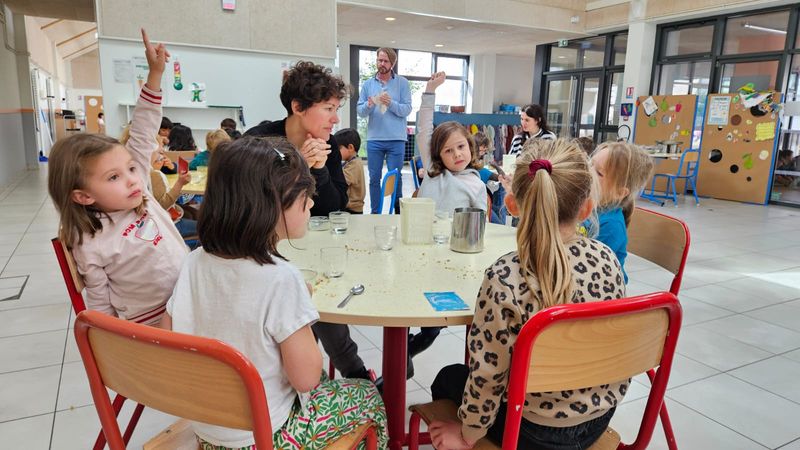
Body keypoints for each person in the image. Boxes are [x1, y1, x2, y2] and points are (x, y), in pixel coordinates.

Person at [162, 137, 387, 449]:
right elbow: (306, 379)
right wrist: (301, 313)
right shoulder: (281, 279)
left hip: (209, 431)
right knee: (368, 395)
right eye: (303, 197)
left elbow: (170, 337)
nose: (311, 203)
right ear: (268, 208)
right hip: (268, 437)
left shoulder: (193, 262)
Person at [428, 139, 627, 450]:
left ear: (512, 205)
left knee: (448, 377)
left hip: (532, 433)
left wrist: (467, 435)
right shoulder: (608, 260)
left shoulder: (504, 277)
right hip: (599, 417)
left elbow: (488, 377)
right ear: (587, 208)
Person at [47, 29, 187, 326]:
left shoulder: (140, 194)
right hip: (150, 325)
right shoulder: (90, 241)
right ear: (83, 196)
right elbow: (99, 303)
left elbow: (144, 128)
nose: (133, 179)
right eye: (113, 177)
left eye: (132, 168)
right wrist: (113, 343)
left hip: (188, 299)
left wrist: (155, 74)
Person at [245, 61, 374, 381]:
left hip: (309, 247)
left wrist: (317, 170)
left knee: (321, 297)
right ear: (298, 107)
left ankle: (345, 374)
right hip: (263, 251)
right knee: (306, 307)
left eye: (337, 108)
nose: (336, 118)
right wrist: (299, 163)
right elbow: (252, 199)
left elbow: (335, 206)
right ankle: (344, 377)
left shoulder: (327, 146)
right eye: (329, 108)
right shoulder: (258, 140)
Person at [408, 72, 486, 367]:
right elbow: (425, 128)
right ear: (438, 154)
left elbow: (480, 229)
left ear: (470, 146)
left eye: (461, 147)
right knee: (410, 301)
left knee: (434, 322)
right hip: (419, 249)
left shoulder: (476, 184)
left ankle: (409, 351)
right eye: (448, 150)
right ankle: (402, 346)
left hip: (451, 258)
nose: (456, 154)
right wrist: (429, 92)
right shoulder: (432, 170)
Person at [583, 142, 654, 283]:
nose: (587, 171)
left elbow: (588, 269)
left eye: (598, 172)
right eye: (590, 164)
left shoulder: (611, 225)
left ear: (619, 192)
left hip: (601, 290)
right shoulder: (589, 206)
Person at [356, 47, 413, 214]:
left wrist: (391, 103)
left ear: (392, 63)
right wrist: (369, 103)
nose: (381, 64)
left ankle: (397, 212)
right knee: (374, 179)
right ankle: (375, 212)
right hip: (374, 139)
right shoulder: (368, 84)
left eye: (385, 61)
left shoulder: (402, 83)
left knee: (396, 177)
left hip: (396, 139)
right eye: (379, 60)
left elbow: (406, 109)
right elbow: (360, 112)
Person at [335, 128, 365, 214]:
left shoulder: (354, 165)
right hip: (351, 207)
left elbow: (340, 180)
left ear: (350, 147)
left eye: (338, 149)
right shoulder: (354, 161)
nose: (336, 152)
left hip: (352, 210)